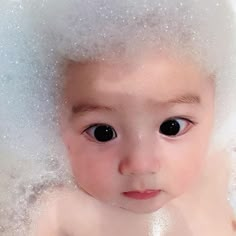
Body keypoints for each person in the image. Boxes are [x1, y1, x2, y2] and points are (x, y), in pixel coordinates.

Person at [1, 0, 236, 235]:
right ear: (51, 121)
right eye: (103, 132)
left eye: (171, 127)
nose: (140, 165)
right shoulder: (54, 211)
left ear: (215, 107)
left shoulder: (219, 169)